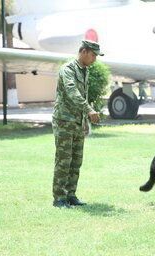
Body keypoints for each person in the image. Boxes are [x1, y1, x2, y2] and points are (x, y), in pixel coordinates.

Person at [52, 40, 103, 208]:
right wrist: (89, 110)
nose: (95, 58)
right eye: (94, 54)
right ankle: (59, 198)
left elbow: (83, 95)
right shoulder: (68, 70)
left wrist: (85, 120)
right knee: (63, 160)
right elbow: (72, 91)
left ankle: (71, 195)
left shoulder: (84, 70)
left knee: (76, 160)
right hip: (64, 121)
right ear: (84, 52)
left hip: (77, 121)